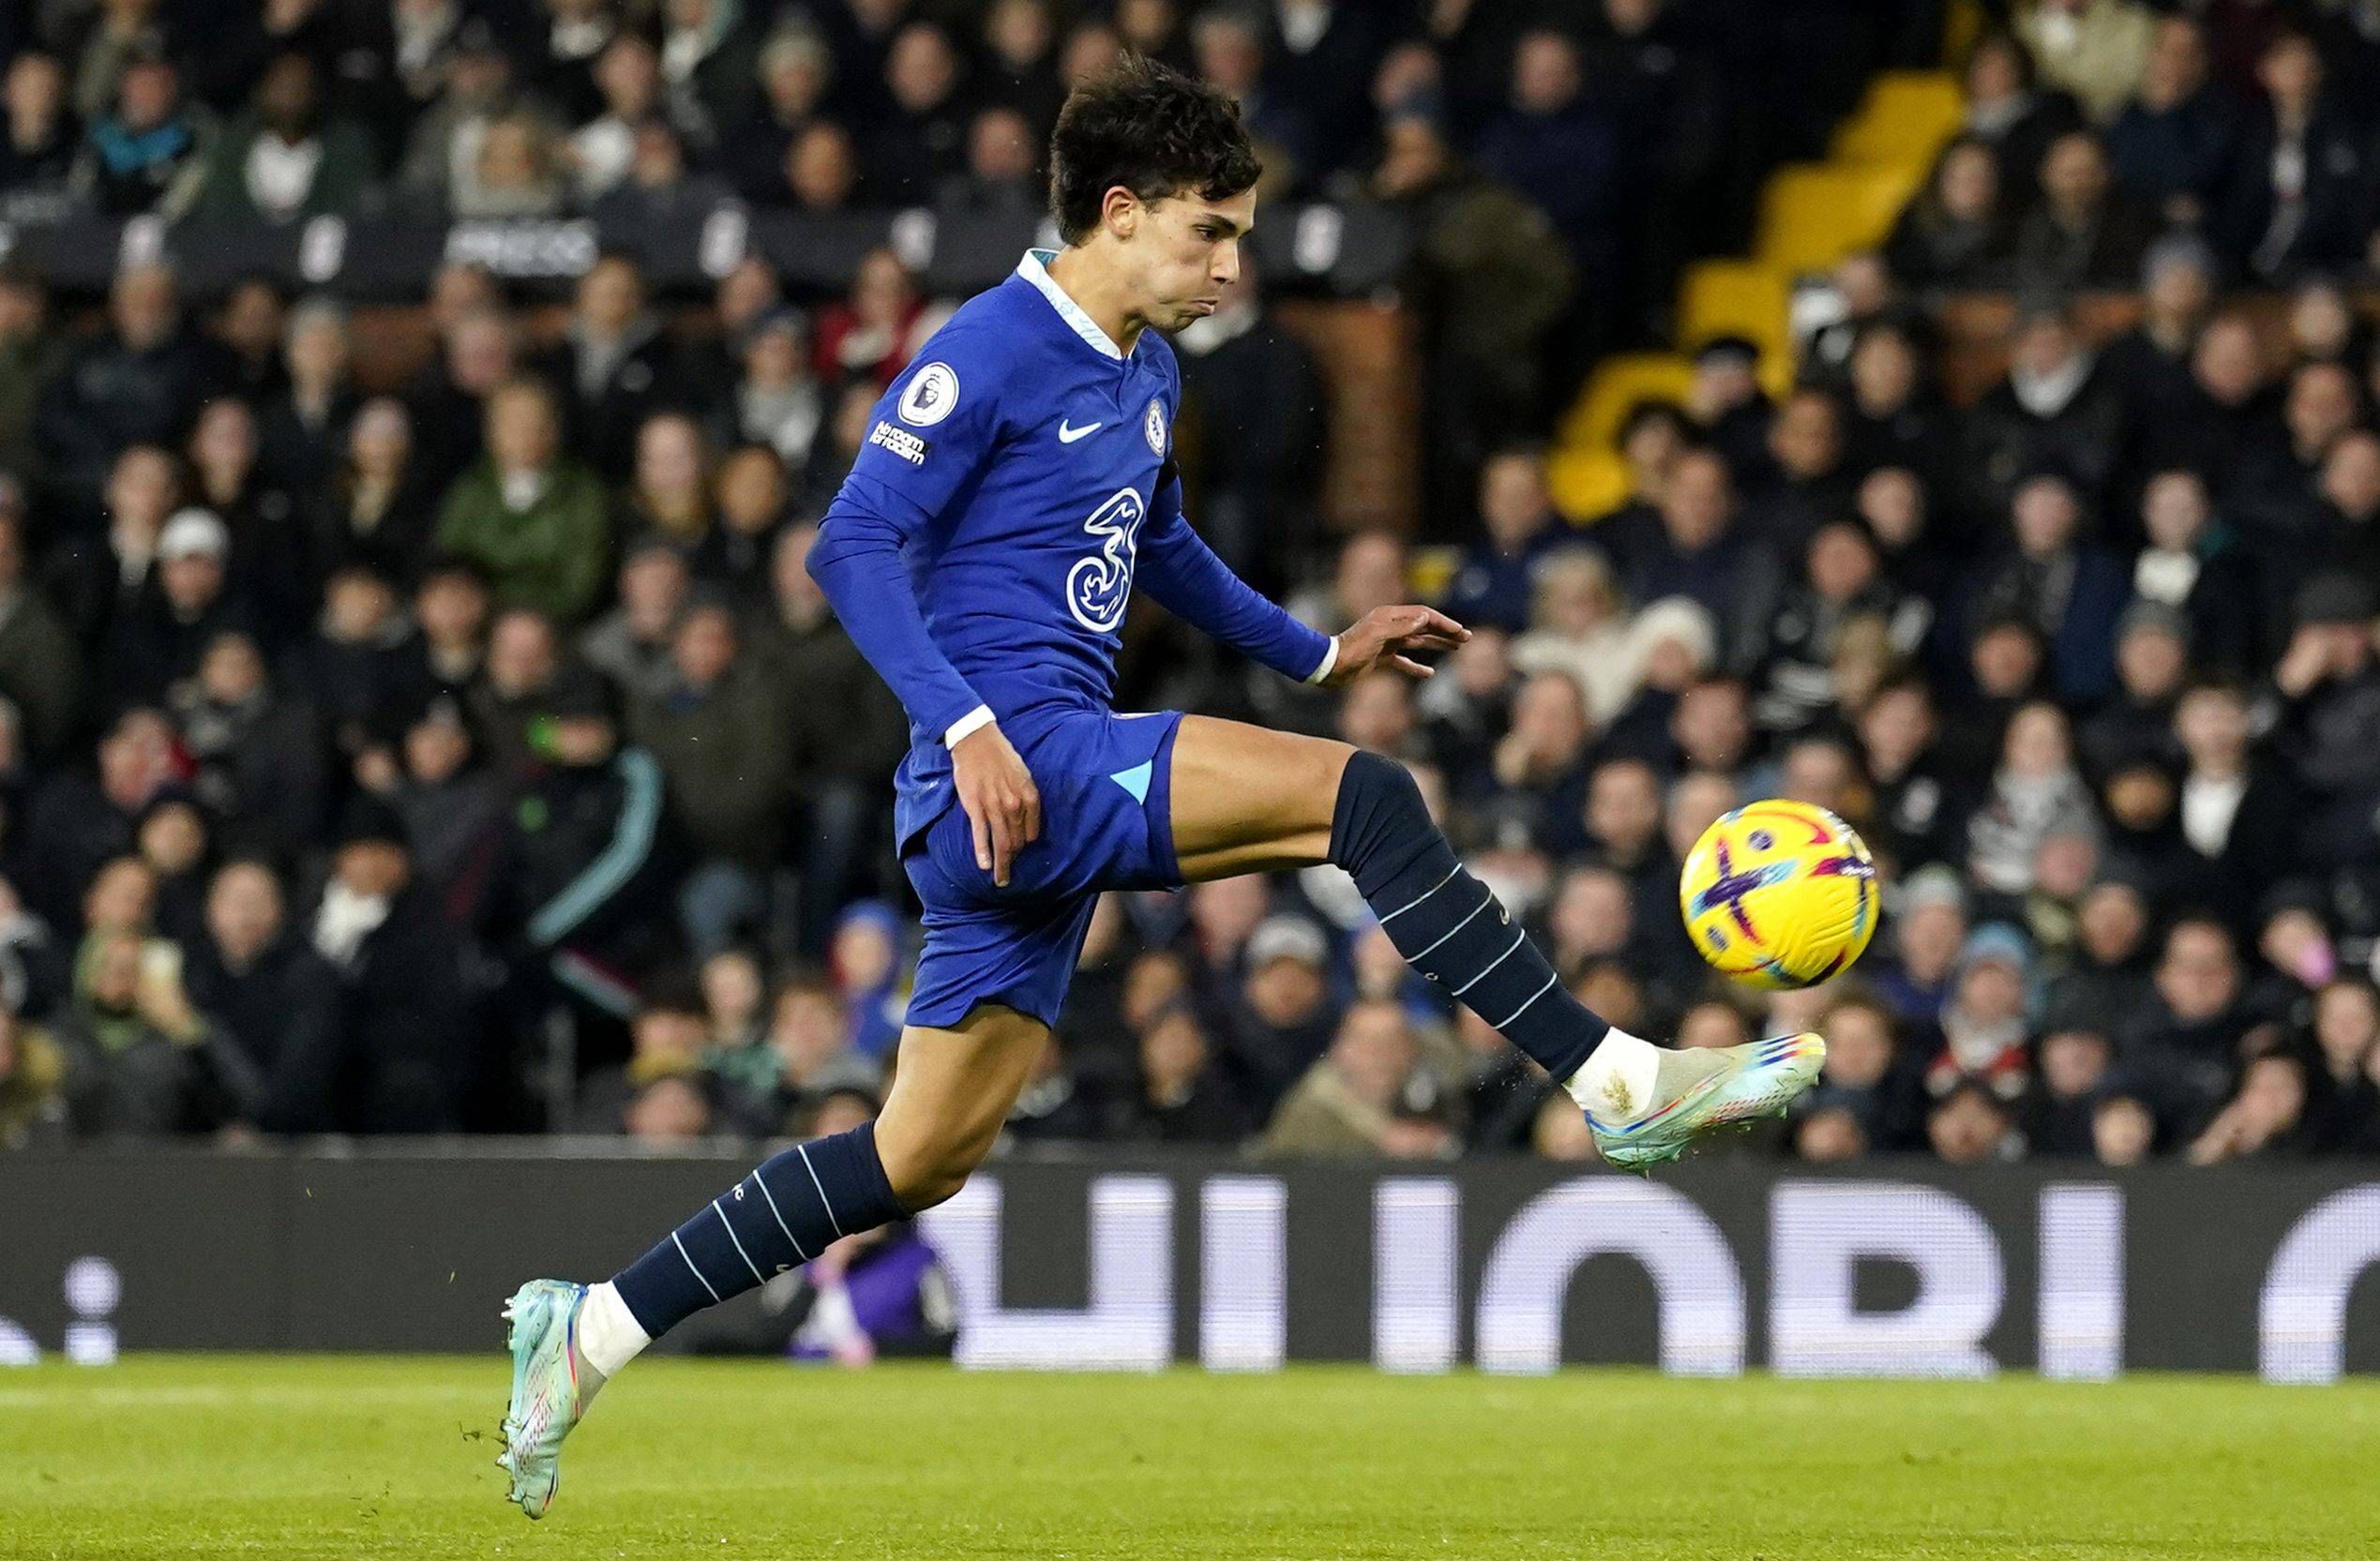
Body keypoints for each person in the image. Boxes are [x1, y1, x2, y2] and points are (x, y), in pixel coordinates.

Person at [495, 58, 1827, 1516]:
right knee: (1366, 800)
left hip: (1031, 788)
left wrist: (1315, 647)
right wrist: (964, 726)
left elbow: (1164, 544)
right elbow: (850, 546)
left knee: (916, 1154)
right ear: (1119, 214)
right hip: (1012, 762)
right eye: (1210, 232)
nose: (1232, 264)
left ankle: (593, 1327)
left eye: (1241, 233)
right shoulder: (989, 345)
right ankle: (1614, 1079)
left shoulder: (1146, 367)